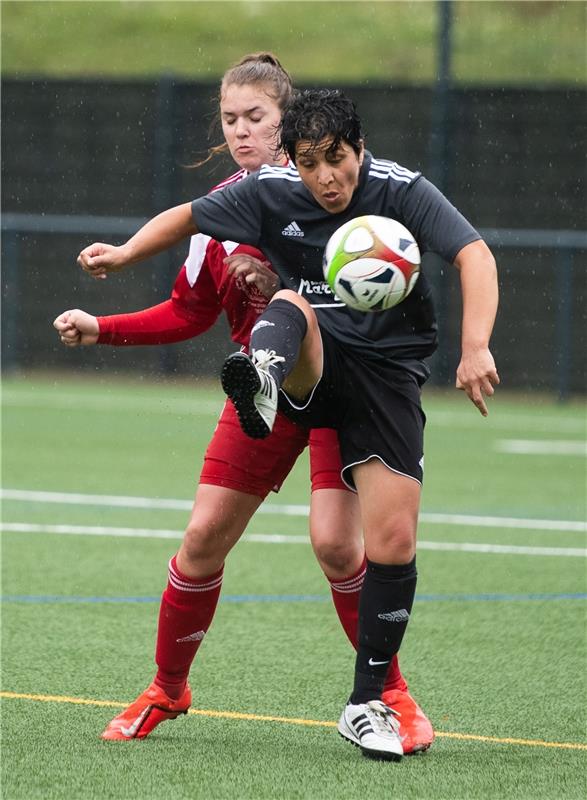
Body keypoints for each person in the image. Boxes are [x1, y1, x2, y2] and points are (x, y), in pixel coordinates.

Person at [59, 62, 433, 753]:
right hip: (264, 394)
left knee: (334, 543)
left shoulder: (339, 196)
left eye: (255, 118)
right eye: (230, 119)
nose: (240, 132)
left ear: (287, 126)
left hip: (343, 383)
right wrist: (100, 327)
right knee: (201, 538)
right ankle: (167, 688)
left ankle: (389, 696)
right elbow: (185, 313)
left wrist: (285, 281)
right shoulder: (221, 213)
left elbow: (377, 280)